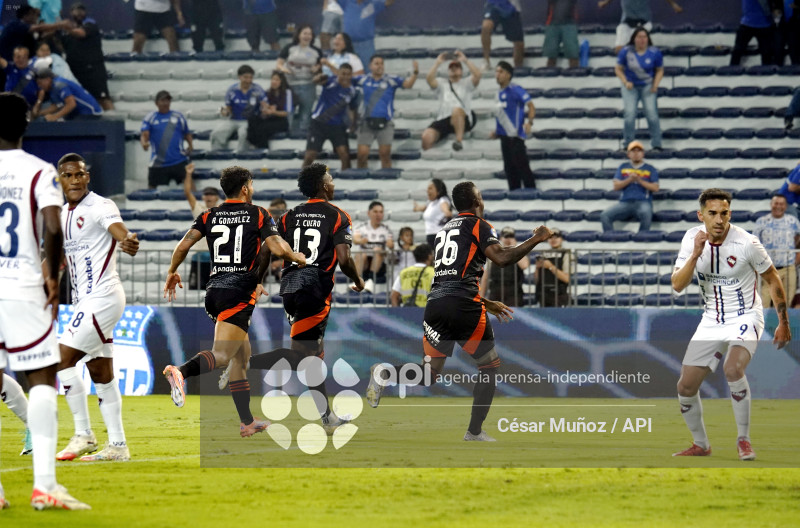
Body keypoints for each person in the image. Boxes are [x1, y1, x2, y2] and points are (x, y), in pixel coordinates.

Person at [366, 181, 553, 441]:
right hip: (464, 306)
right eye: (480, 195)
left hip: (436, 305)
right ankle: (474, 431)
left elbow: (451, 277)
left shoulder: (444, 230)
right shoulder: (479, 225)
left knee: (428, 373)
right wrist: (537, 238)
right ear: (476, 201)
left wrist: (485, 301)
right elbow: (501, 258)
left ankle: (384, 373)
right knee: (489, 365)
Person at [162, 166, 306, 437]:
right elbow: (276, 247)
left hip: (214, 291)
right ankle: (180, 371)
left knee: (241, 358)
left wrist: (171, 271)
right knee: (222, 355)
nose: (252, 188)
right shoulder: (258, 213)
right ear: (244, 188)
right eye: (251, 184)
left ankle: (247, 422)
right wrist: (297, 257)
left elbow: (183, 246)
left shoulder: (209, 214)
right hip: (238, 293)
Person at [0, 92, 89, 509]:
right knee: (41, 378)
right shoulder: (38, 171)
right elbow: (53, 227)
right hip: (20, 285)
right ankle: (45, 487)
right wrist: (52, 277)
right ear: (27, 122)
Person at [238, 163, 364, 433]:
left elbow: (266, 250)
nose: (333, 183)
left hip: (290, 287)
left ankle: (327, 418)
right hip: (314, 288)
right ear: (323, 185)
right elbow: (344, 259)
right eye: (330, 179)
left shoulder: (288, 216)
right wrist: (358, 279)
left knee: (314, 357)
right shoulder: (338, 216)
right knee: (303, 357)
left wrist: (258, 281)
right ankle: (243, 363)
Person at [671, 188, 791, 460]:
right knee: (685, 387)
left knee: (733, 368)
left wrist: (783, 322)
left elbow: (772, 278)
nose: (719, 219)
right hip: (711, 319)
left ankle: (743, 440)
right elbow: (677, 285)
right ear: (701, 215)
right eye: (712, 213)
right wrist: (695, 254)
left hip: (746, 315)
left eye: (724, 213)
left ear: (730, 214)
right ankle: (701, 445)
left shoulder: (747, 243)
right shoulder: (691, 239)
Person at [53, 153, 140, 462]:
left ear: (87, 177)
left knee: (61, 359)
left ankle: (83, 434)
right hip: (85, 301)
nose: (74, 180)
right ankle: (117, 446)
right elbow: (60, 258)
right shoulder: (61, 214)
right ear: (60, 180)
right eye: (68, 175)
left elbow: (117, 228)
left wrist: (127, 240)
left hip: (103, 297)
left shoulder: (100, 206)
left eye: (79, 174)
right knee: (101, 372)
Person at [353, 55, 419, 169]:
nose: (380, 66)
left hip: (386, 123)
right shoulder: (362, 79)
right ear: (370, 66)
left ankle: (386, 177)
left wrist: (415, 73)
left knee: (385, 154)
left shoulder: (391, 80)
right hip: (366, 123)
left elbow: (408, 85)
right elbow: (343, 80)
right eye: (376, 63)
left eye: (381, 63)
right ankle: (362, 175)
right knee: (362, 155)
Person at [302, 62, 359, 169]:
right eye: (343, 74)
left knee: (344, 155)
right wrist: (318, 77)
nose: (345, 77)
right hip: (318, 124)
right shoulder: (330, 81)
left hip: (337, 126)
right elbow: (317, 81)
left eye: (348, 74)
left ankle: (346, 177)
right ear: (338, 73)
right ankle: (303, 178)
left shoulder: (352, 91)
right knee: (310, 155)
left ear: (351, 75)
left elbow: (352, 109)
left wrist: (353, 124)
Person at [615, 27, 663, 151]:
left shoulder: (655, 52)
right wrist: (625, 81)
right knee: (629, 114)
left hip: (648, 86)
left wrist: (655, 85)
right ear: (634, 39)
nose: (642, 40)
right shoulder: (626, 51)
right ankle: (628, 143)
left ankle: (656, 143)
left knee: (652, 114)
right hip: (630, 86)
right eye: (639, 37)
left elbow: (659, 70)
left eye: (644, 37)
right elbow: (618, 69)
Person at [421, 50, 481, 152]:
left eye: (457, 67)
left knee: (456, 110)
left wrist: (465, 60)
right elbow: (429, 79)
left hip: (463, 118)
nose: (454, 69)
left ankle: (458, 141)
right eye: (451, 68)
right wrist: (437, 63)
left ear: (461, 71)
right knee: (426, 137)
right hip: (444, 118)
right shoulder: (442, 83)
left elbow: (477, 75)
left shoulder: (466, 83)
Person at [58, 2, 113, 110]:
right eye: (76, 10)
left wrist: (65, 27)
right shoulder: (65, 32)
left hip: (93, 70)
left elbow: (81, 33)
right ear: (71, 13)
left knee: (103, 99)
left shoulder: (90, 24)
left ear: (86, 12)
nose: (79, 13)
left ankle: (114, 119)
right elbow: (62, 46)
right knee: (80, 99)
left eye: (82, 10)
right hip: (76, 70)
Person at [491, 60, 535, 190]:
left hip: (515, 136)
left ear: (508, 75)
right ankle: (514, 195)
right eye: (496, 71)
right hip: (504, 138)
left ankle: (532, 193)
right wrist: (497, 131)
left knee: (522, 167)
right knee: (509, 169)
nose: (497, 74)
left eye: (501, 72)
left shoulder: (516, 89)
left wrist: (529, 123)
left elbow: (531, 106)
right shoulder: (497, 94)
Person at [600, 140, 659, 232]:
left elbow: (655, 188)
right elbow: (616, 186)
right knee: (605, 215)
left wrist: (639, 180)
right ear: (628, 154)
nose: (636, 153)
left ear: (643, 153)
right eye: (633, 151)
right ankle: (611, 238)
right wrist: (630, 179)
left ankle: (642, 238)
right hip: (625, 202)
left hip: (643, 201)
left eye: (638, 151)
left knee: (647, 213)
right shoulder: (623, 167)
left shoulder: (650, 168)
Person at [752, 195, 800, 307]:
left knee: (786, 303)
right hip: (767, 268)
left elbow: (798, 239)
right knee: (763, 302)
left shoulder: (793, 221)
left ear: (785, 206)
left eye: (781, 204)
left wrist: (797, 256)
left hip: (788, 268)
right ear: (771, 205)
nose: (778, 206)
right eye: (776, 203)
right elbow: (754, 244)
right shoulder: (762, 221)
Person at [140, 90, 193, 189]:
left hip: (179, 160)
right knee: (150, 190)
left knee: (191, 186)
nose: (165, 103)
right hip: (158, 162)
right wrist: (144, 143)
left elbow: (186, 133)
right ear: (156, 103)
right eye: (163, 100)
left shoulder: (178, 116)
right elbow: (144, 135)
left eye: (168, 100)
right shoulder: (150, 118)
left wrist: (190, 145)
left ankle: (195, 200)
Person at [277, 24, 323, 135]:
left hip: (308, 85)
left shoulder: (316, 51)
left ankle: (303, 135)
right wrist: (284, 70)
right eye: (304, 33)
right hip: (290, 85)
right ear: (298, 35)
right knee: (289, 112)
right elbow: (279, 64)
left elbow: (321, 66)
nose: (307, 36)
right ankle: (286, 134)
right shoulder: (289, 48)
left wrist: (317, 69)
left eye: (309, 34)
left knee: (306, 113)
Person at [211, 64, 266, 152]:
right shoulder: (232, 90)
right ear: (239, 77)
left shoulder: (257, 90)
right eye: (246, 77)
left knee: (244, 134)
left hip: (250, 120)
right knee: (216, 133)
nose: (248, 80)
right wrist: (225, 112)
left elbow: (265, 105)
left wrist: (264, 110)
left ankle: (242, 155)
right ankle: (218, 154)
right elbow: (228, 109)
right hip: (233, 119)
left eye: (250, 77)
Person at [598, 0, 683, 54]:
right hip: (626, 22)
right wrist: (605, 2)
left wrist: (674, 5)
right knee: (619, 50)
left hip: (643, 22)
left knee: (639, 45)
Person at [480, 227, 529, 306]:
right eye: (506, 236)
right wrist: (481, 297)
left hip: (513, 292)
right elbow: (485, 277)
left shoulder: (518, 251)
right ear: (501, 238)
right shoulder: (493, 252)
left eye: (510, 236)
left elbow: (524, 265)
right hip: (495, 291)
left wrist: (514, 248)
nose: (508, 239)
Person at [353, 200, 394, 290]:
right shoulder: (361, 227)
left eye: (381, 212)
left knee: (377, 250)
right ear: (369, 213)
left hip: (380, 264)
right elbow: (355, 239)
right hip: (364, 262)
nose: (378, 215)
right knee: (361, 254)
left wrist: (390, 244)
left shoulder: (386, 229)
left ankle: (370, 280)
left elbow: (391, 244)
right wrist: (361, 241)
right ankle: (357, 281)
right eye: (375, 212)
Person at [33, 68, 103, 121]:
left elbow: (71, 104)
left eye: (40, 83)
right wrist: (40, 113)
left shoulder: (59, 85)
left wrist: (54, 116)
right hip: (77, 112)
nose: (39, 86)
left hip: (90, 112)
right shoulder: (52, 87)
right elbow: (56, 106)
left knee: (69, 128)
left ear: (48, 79)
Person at [342, 0, 395, 67]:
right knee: (348, 69)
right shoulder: (347, 2)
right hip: (348, 44)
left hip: (366, 45)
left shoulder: (374, 4)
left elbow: (389, 2)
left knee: (368, 69)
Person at [247, 70, 292, 149]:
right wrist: (265, 109)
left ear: (281, 82)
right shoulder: (267, 92)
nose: (274, 82)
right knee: (252, 120)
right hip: (269, 118)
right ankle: (253, 144)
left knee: (263, 128)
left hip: (281, 120)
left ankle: (263, 149)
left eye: (277, 80)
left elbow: (286, 112)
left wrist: (273, 112)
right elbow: (264, 109)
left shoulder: (287, 93)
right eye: (273, 79)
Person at [730, 0, 782, 66]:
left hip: (752, 23)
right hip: (761, 24)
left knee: (737, 51)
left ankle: (731, 69)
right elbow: (766, 7)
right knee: (766, 54)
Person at [481, 0, 525, 69]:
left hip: (511, 6)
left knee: (519, 43)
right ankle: (486, 61)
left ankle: (518, 68)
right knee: (486, 27)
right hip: (493, 3)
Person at [533, 227, 570, 307]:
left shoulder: (566, 254)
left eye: (556, 237)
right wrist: (537, 268)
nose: (553, 239)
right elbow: (536, 280)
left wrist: (550, 267)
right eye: (550, 237)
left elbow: (567, 278)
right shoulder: (543, 254)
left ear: (561, 239)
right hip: (543, 295)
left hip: (559, 295)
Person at [413, 179, 453, 247]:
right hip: (431, 236)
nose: (427, 190)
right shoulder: (430, 202)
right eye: (427, 188)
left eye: (430, 188)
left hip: (439, 236)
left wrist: (447, 213)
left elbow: (447, 211)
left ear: (438, 190)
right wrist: (416, 208)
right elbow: (423, 208)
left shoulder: (442, 200)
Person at [543, 0, 580, 68]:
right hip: (552, 23)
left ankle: (574, 74)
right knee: (551, 56)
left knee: (573, 55)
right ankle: (550, 74)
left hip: (570, 23)